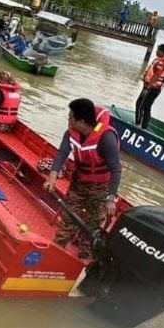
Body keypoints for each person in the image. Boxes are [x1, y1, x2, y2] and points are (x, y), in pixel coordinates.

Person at [43, 98, 122, 258]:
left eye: (71, 117)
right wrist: (51, 178)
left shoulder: (106, 139)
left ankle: (87, 253)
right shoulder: (70, 134)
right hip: (79, 182)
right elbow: (61, 155)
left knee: (94, 222)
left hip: (101, 188)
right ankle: (58, 248)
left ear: (81, 121)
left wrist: (110, 197)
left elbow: (116, 169)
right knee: (68, 216)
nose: (68, 120)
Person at [134, 44, 164, 130]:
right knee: (147, 106)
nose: (156, 51)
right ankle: (144, 126)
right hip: (156, 88)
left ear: (162, 52)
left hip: (151, 88)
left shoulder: (161, 62)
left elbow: (157, 76)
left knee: (140, 105)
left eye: (157, 50)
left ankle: (137, 125)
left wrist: (147, 88)